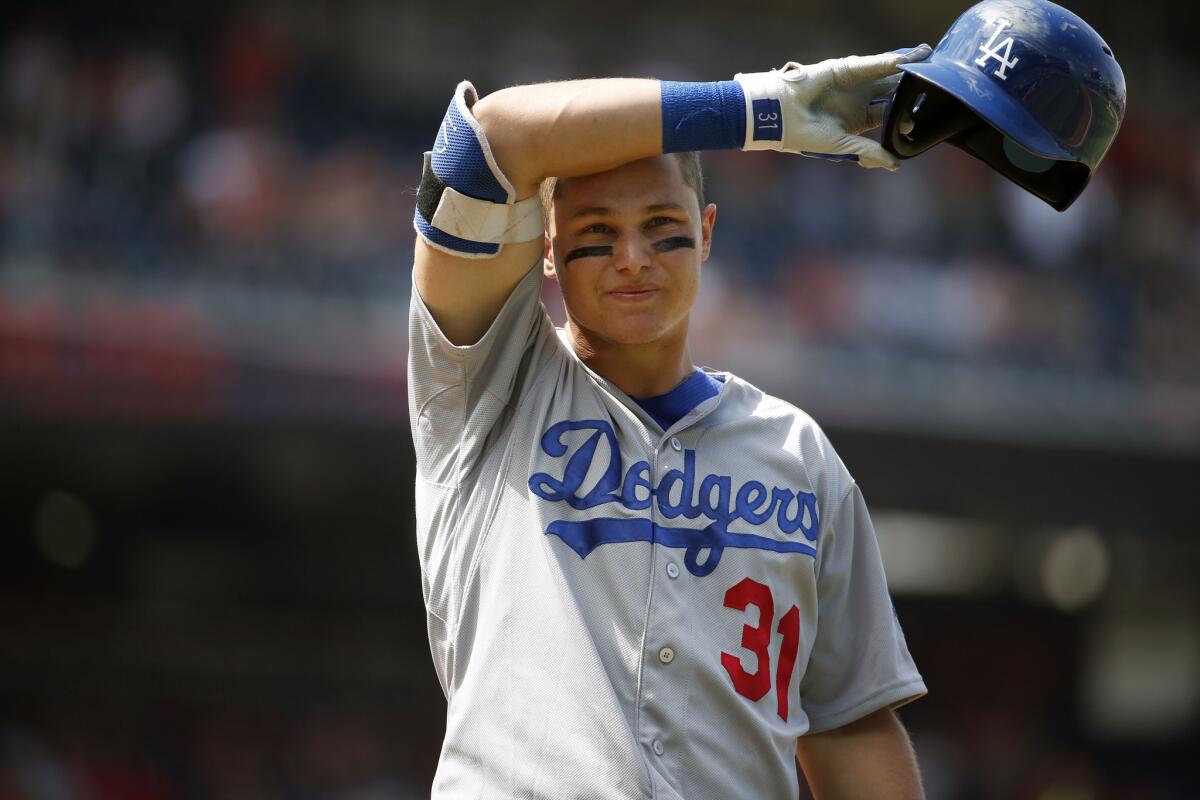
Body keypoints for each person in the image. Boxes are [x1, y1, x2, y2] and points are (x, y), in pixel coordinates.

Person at [408, 47, 930, 800]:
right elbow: (485, 144)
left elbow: (848, 721)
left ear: (707, 231)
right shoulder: (485, 387)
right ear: (546, 251)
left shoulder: (799, 455)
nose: (632, 258)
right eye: (596, 230)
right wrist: (760, 111)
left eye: (661, 226)